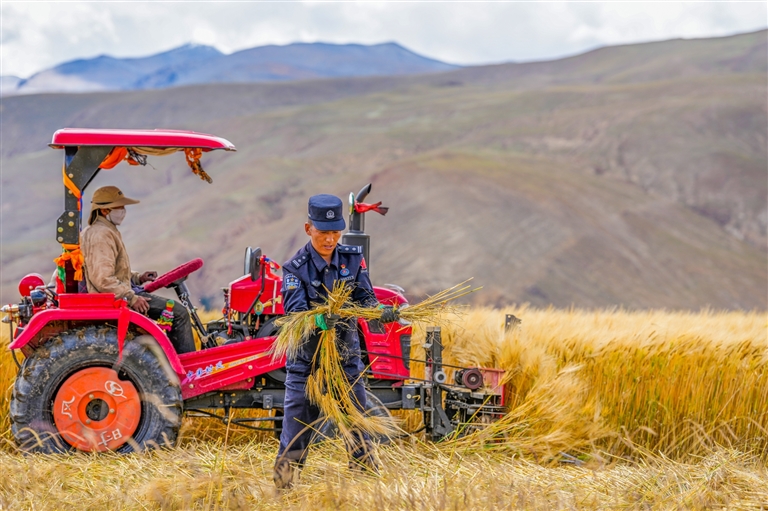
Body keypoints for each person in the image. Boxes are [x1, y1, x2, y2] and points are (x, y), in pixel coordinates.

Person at [273, 194, 399, 489]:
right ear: (308, 229)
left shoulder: (353, 259)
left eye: (334, 233)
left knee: (357, 421)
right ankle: (283, 489)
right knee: (296, 427)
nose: (330, 239)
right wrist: (317, 321)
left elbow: (364, 297)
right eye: (323, 233)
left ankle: (365, 485)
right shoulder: (295, 268)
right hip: (307, 363)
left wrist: (381, 312)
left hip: (345, 358)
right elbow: (294, 315)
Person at [80, 185, 196, 354]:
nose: (123, 211)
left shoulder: (104, 231)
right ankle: (190, 369)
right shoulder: (101, 235)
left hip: (118, 293)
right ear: (105, 211)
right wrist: (131, 297)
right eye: (119, 207)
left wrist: (137, 278)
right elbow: (103, 279)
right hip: (115, 299)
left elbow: (112, 270)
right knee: (179, 314)